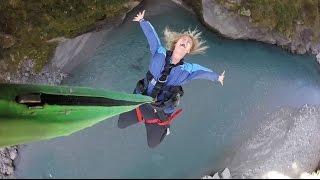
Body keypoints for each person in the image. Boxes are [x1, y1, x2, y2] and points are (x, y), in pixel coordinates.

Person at [118, 10, 225, 148]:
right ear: (176, 43)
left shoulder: (188, 69)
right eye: (183, 40)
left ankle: (165, 130)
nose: (185, 42)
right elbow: (152, 37)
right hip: (140, 100)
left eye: (188, 43)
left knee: (153, 144)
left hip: (159, 112)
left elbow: (202, 72)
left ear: (188, 50)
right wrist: (142, 22)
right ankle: (143, 118)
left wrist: (217, 77)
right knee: (121, 124)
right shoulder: (159, 53)